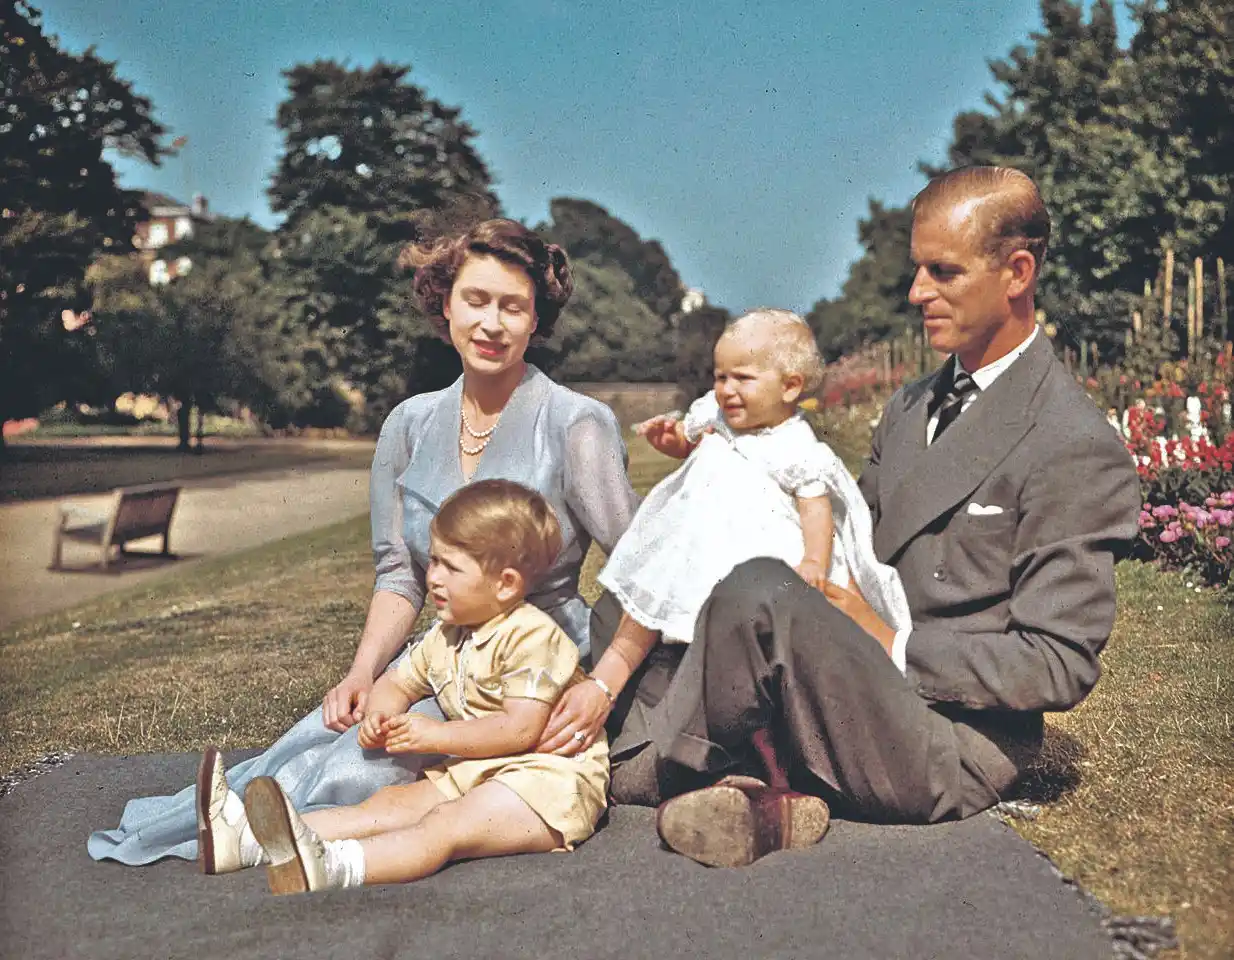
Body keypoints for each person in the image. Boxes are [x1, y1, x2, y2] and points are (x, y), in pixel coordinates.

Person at [546, 166, 1142, 868]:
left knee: (755, 590)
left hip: (944, 738)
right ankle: (719, 772)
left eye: (942, 272)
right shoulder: (913, 406)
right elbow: (844, 539)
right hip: (847, 674)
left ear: (1016, 272)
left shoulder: (1072, 441)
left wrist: (886, 640)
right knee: (653, 576)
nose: (917, 292)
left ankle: (645, 769)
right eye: (917, 269)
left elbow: (1057, 664)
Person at [88, 218, 639, 869]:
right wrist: (362, 672)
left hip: (536, 673)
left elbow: (644, 573)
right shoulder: (408, 425)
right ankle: (238, 830)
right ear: (445, 303)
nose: (492, 324)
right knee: (329, 735)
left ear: (537, 317)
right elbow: (399, 575)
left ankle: (274, 845)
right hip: (443, 658)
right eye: (476, 300)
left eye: (513, 306)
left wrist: (602, 686)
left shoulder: (576, 423)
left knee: (360, 768)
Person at [215, 480, 609, 894]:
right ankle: (247, 842)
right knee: (389, 805)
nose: (433, 578)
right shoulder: (447, 635)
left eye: (450, 567)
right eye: (433, 561)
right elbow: (397, 683)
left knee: (444, 825)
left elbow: (519, 729)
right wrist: (381, 715)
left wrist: (436, 734)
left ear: (506, 583)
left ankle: (336, 867)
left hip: (554, 782)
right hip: (482, 771)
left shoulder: (532, 639)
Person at [596, 305, 910, 686]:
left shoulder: (796, 445)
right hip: (720, 533)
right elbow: (690, 443)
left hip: (774, 542)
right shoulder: (716, 414)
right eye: (720, 377)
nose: (727, 390)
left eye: (742, 378)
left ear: (790, 386)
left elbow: (815, 508)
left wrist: (814, 559)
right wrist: (672, 441)